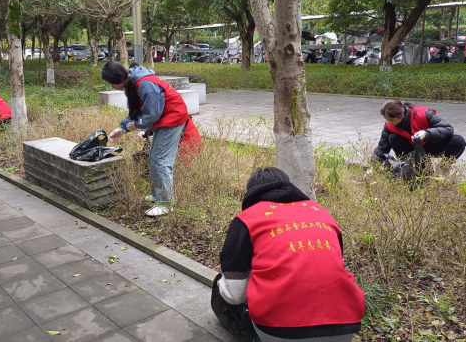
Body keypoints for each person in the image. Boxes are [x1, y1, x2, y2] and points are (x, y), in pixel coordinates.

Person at [215, 167, 364, 341]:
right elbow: (336, 263)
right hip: (346, 326)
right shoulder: (321, 212)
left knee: (224, 284)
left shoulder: (246, 219)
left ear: (251, 192)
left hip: (280, 330)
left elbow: (234, 295)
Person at [102, 61, 192, 217]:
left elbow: (151, 114)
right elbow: (136, 110)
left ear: (119, 79)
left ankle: (165, 203)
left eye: (112, 83)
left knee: (160, 160)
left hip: (173, 117)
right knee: (154, 157)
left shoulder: (145, 85)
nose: (112, 86)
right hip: (163, 118)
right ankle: (157, 194)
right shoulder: (130, 83)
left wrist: (135, 125)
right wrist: (122, 128)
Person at [373, 100, 465, 163]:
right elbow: (382, 148)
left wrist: (426, 133)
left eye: (391, 120)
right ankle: (408, 166)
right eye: (386, 119)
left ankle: (443, 168)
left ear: (401, 115)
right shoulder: (389, 125)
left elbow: (447, 129)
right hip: (411, 150)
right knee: (393, 138)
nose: (388, 122)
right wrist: (374, 165)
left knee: (458, 141)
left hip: (431, 144)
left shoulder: (424, 113)